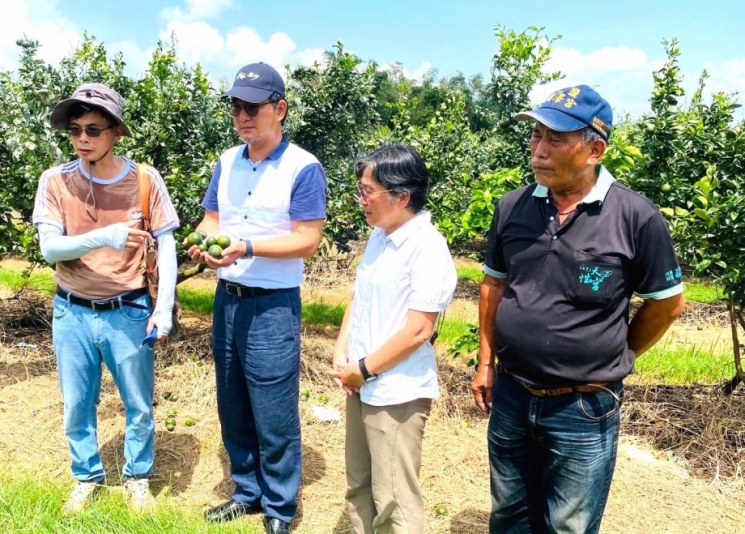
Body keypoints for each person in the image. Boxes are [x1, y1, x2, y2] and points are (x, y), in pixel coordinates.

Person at [471, 85, 685, 534]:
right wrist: (485, 363)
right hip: (512, 394)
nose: (538, 150)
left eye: (555, 140)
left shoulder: (635, 217)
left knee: (568, 524)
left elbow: (666, 306)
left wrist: (610, 355)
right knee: (509, 513)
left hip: (584, 407)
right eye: (535, 136)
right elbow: (494, 284)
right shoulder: (512, 207)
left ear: (595, 150)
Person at [186, 62, 327, 534]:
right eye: (236, 107)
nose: (242, 116)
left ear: (280, 109)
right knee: (233, 400)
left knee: (273, 409)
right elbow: (211, 219)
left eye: (253, 106)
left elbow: (307, 239)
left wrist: (246, 246)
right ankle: (246, 492)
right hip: (229, 298)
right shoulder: (226, 161)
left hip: (272, 305)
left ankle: (280, 508)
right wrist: (204, 245)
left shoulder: (303, 167)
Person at [33, 83, 180, 514]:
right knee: (77, 402)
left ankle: (137, 477)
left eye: (93, 129)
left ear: (115, 131)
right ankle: (86, 477)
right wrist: (106, 236)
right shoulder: (55, 181)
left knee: (137, 403)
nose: (82, 138)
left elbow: (166, 246)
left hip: (128, 309)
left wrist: (164, 307)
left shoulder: (144, 180)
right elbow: (50, 249)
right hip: (72, 309)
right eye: (75, 129)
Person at [330, 145, 457, 534]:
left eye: (368, 191)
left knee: (395, 500)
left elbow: (419, 329)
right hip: (361, 382)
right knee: (360, 486)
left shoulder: (427, 247)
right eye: (361, 190)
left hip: (396, 391)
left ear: (402, 196)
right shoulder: (380, 236)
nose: (361, 200)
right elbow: (360, 296)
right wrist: (342, 350)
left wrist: (364, 369)